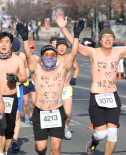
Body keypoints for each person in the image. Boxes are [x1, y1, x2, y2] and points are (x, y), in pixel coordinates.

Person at [55, 12, 126, 155]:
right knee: (102, 134)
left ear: (113, 40)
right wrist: (63, 28)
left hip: (112, 97)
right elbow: (75, 45)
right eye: (105, 36)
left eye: (110, 37)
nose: (108, 39)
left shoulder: (118, 53)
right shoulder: (93, 52)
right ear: (100, 40)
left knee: (113, 133)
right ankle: (94, 141)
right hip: (96, 96)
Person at [16, 21, 84, 155]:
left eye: (52, 55)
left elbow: (74, 54)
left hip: (57, 112)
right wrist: (25, 38)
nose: (50, 58)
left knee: (56, 147)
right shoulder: (36, 70)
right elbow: (28, 56)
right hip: (40, 112)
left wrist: (76, 36)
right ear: (41, 58)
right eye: (46, 55)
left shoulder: (62, 69)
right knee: (41, 148)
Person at [0, 32, 27, 155]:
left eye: (6, 42)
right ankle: (0, 153)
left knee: (9, 130)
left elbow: (24, 77)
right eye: (1, 41)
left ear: (11, 44)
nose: (4, 44)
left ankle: (5, 151)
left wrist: (17, 79)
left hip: (12, 97)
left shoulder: (17, 60)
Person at [56, 38, 80, 139]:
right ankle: (55, 130)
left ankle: (65, 127)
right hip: (55, 89)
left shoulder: (70, 58)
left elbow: (77, 68)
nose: (62, 47)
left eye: (64, 45)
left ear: (66, 47)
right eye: (60, 45)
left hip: (66, 88)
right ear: (56, 47)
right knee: (55, 111)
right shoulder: (52, 58)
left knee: (68, 113)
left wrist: (74, 78)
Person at [10, 38, 26, 151]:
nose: (14, 54)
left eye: (16, 52)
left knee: (16, 116)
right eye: (12, 51)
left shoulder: (23, 57)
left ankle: (14, 141)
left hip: (18, 88)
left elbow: (26, 72)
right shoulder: (0, 56)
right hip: (4, 90)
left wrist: (17, 82)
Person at [22, 41, 41, 124]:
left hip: (33, 82)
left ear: (34, 49)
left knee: (34, 101)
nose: (30, 49)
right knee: (25, 102)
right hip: (25, 82)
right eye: (28, 47)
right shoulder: (22, 58)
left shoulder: (37, 58)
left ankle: (31, 114)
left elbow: (40, 69)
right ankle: (26, 116)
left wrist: (35, 77)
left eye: (32, 47)